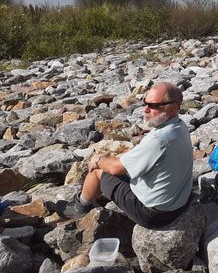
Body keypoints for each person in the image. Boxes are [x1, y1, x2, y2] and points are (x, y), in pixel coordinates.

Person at [59, 82, 193, 227]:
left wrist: (98, 159)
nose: (146, 109)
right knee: (118, 165)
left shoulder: (158, 139)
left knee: (98, 171)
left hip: (153, 214)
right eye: (145, 103)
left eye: (154, 105)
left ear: (174, 107)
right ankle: (92, 197)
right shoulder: (179, 126)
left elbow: (115, 168)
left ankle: (79, 207)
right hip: (180, 202)